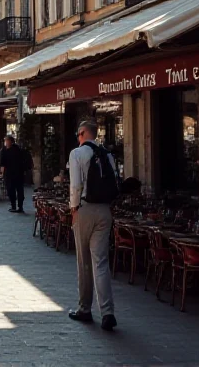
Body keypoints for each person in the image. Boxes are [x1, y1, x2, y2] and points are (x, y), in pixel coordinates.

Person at [68, 120, 118, 331]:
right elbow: (116, 181)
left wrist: (73, 209)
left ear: (82, 134)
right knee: (101, 262)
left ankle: (85, 309)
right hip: (105, 209)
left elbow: (76, 185)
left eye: (78, 135)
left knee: (84, 261)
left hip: (85, 209)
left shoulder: (77, 153)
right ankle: (107, 312)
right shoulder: (107, 154)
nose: (78, 138)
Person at [0, 135, 26, 213]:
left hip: (16, 174)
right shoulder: (4, 150)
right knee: (11, 190)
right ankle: (14, 206)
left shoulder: (16, 150)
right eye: (6, 141)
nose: (6, 142)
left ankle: (20, 206)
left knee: (19, 190)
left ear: (11, 141)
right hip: (11, 174)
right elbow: (2, 163)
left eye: (7, 141)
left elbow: (22, 160)